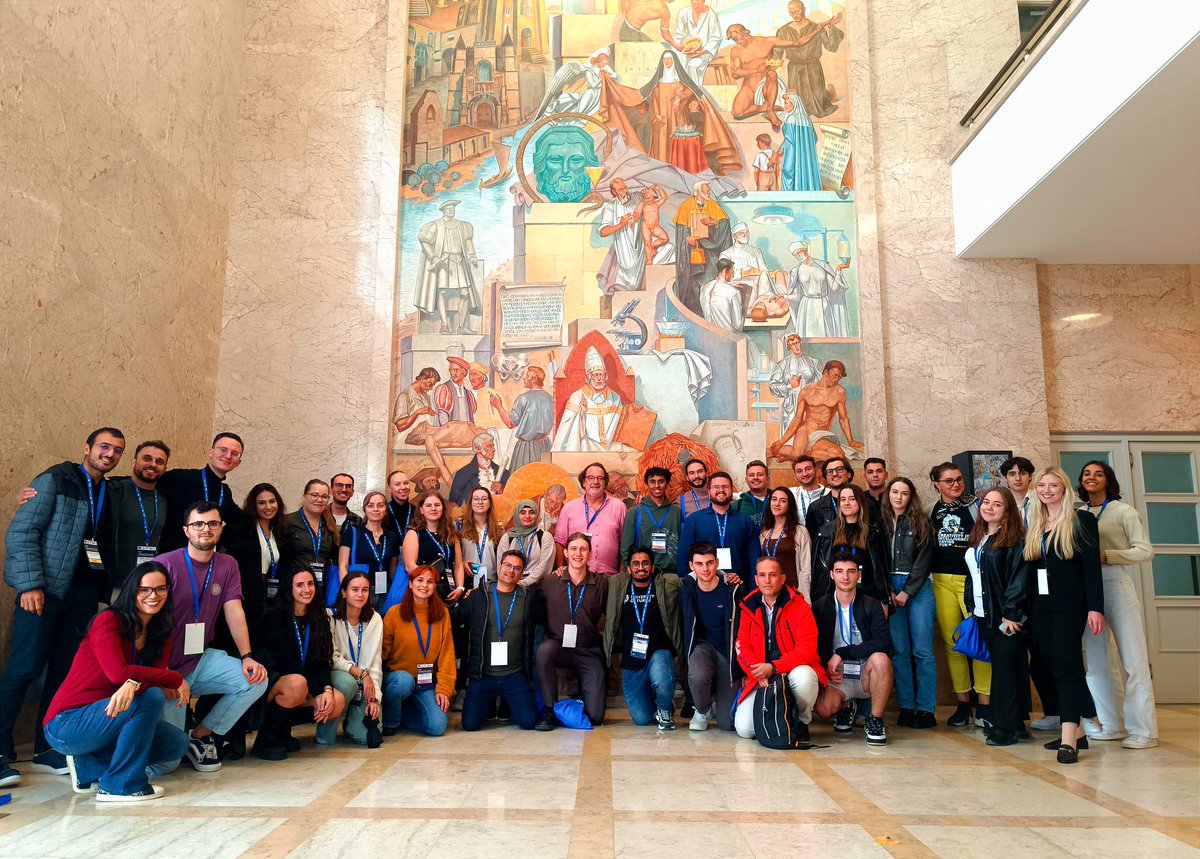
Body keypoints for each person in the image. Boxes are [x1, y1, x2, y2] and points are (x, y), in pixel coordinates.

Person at [1, 427, 124, 781]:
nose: (110, 454)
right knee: (22, 669)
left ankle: (47, 747)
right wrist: (29, 584)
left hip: (83, 595)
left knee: (64, 673)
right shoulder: (57, 478)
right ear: (86, 447)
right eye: (104, 447)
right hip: (45, 591)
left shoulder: (110, 490)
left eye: (117, 450)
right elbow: (22, 532)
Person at [41, 562, 190, 801]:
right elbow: (118, 674)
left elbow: (145, 678)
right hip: (67, 724)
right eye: (145, 590)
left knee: (176, 744)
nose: (153, 596)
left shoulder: (161, 632)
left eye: (161, 589)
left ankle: (88, 764)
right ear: (132, 591)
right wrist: (174, 678)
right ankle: (119, 785)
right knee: (152, 697)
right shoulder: (108, 621)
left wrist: (134, 682)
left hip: (110, 718)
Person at [152, 501, 268, 774]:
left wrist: (247, 656)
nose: (206, 529)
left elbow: (234, 610)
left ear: (221, 528)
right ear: (186, 530)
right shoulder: (163, 565)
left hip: (197, 660)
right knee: (166, 764)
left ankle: (199, 735)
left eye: (213, 524)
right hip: (164, 668)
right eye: (198, 524)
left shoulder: (227, 565)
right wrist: (163, 674)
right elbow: (145, 627)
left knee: (254, 681)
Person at [1025, 466, 1105, 764]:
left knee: (1066, 664)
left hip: (1071, 605)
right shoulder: (1036, 523)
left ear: (1064, 488)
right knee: (1049, 662)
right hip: (1040, 606)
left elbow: (1091, 569)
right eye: (1042, 485)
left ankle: (1069, 737)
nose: (1047, 490)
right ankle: (1081, 728)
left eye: (1053, 485)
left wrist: (1095, 607)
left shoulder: (1081, 520)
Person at [1077, 461, 1157, 749]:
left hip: (1115, 583)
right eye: (1087, 474)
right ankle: (1111, 724)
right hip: (1088, 589)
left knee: (1133, 659)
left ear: (1108, 480)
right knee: (1097, 662)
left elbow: (1145, 551)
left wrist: (1107, 555)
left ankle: (1144, 730)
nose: (1092, 478)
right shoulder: (1078, 513)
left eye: (1098, 474)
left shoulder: (1124, 511)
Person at [252, 567, 348, 759]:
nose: (307, 589)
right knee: (298, 683)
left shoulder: (319, 617)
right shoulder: (274, 616)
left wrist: (327, 690)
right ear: (289, 588)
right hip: (273, 683)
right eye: (300, 585)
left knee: (337, 701)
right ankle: (266, 738)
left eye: (310, 583)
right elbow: (286, 663)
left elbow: (322, 660)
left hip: (301, 683)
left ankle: (283, 728)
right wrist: (315, 696)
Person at [965, 488, 1031, 747]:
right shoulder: (980, 536)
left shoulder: (1014, 538)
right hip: (984, 614)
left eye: (997, 504)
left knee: (1004, 671)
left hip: (1006, 617)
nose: (989, 507)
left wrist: (1012, 613)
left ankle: (1004, 726)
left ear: (1007, 511)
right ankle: (1016, 722)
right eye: (986, 502)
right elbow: (974, 574)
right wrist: (971, 606)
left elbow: (1018, 577)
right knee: (1007, 668)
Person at [733, 557, 824, 741]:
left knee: (804, 678)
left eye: (773, 575)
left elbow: (807, 650)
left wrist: (774, 668)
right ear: (756, 579)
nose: (767, 580)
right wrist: (758, 672)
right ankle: (779, 719)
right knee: (744, 729)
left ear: (782, 578)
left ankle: (801, 721)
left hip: (791, 671)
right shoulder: (747, 606)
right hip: (762, 676)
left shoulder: (800, 606)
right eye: (762, 575)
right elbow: (741, 646)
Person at [929, 461, 989, 728]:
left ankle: (985, 706)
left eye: (959, 480)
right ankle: (963, 703)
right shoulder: (933, 511)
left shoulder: (976, 506)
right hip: (941, 581)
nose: (956, 485)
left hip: (972, 580)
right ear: (937, 485)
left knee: (979, 643)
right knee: (953, 644)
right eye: (949, 481)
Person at [812, 553, 893, 745]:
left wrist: (842, 653)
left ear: (859, 575)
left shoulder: (872, 605)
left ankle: (874, 719)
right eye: (839, 571)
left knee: (881, 659)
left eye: (850, 572)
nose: (845, 577)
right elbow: (813, 646)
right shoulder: (820, 606)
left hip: (866, 671)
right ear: (832, 575)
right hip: (838, 675)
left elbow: (883, 641)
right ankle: (846, 706)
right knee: (824, 709)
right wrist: (825, 669)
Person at [459, 551, 542, 731]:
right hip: (483, 675)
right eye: (507, 565)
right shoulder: (479, 595)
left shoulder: (528, 600)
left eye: (517, 568)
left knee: (528, 722)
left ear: (522, 574)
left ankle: (507, 704)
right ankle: (489, 704)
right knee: (470, 725)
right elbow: (457, 621)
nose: (511, 571)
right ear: (499, 567)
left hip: (513, 674)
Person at [535, 534, 609, 730]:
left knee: (595, 716)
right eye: (574, 549)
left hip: (588, 650)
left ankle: (578, 701)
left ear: (590, 554)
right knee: (544, 651)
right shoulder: (550, 582)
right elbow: (535, 608)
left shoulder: (602, 583)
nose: (578, 553)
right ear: (566, 553)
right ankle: (549, 710)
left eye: (583, 549)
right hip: (559, 647)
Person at [604, 548, 682, 730]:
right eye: (636, 564)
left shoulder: (667, 584)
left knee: (663, 682)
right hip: (632, 660)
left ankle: (664, 708)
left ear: (653, 567)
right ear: (629, 569)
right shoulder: (616, 585)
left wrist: (724, 575)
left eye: (645, 563)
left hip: (659, 652)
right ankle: (660, 701)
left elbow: (698, 577)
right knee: (641, 718)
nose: (641, 568)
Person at [879, 477, 936, 729]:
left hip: (918, 587)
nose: (898, 497)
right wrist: (889, 590)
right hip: (890, 587)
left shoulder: (921, 521)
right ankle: (906, 706)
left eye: (904, 493)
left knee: (922, 650)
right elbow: (877, 560)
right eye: (894, 492)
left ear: (910, 496)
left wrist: (908, 591)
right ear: (888, 494)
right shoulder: (879, 523)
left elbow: (925, 559)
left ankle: (925, 708)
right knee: (899, 651)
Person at [381, 565, 456, 736]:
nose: (424, 585)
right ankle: (390, 720)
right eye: (420, 580)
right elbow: (381, 653)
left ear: (435, 586)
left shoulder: (442, 614)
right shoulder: (394, 613)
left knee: (437, 727)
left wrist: (444, 689)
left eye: (430, 581)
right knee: (404, 681)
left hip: (426, 682)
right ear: (410, 584)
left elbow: (447, 655)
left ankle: (403, 715)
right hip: (397, 678)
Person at [679, 543, 741, 731]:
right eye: (699, 564)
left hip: (728, 654)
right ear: (691, 566)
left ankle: (718, 705)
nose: (705, 569)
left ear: (717, 563)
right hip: (703, 647)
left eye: (709, 563)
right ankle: (703, 709)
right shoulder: (687, 589)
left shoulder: (732, 589)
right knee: (697, 675)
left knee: (727, 724)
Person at [156, 432, 245, 553]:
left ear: (238, 462)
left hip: (205, 561)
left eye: (234, 453)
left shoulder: (225, 492)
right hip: (173, 560)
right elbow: (143, 484)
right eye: (223, 450)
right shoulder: (180, 478)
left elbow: (242, 521)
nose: (228, 456)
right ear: (211, 452)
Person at [104, 440, 170, 602]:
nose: (153, 464)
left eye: (159, 462)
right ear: (134, 462)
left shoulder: (164, 500)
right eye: (147, 458)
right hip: (113, 586)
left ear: (165, 469)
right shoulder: (113, 491)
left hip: (146, 587)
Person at [325, 571, 384, 746]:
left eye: (365, 590)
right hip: (340, 677)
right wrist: (361, 674)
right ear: (344, 592)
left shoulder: (375, 619)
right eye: (355, 589)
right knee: (347, 682)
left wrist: (374, 699)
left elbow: (376, 662)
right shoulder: (330, 616)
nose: (360, 594)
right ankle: (325, 731)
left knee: (365, 736)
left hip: (365, 685)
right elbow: (332, 657)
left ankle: (351, 719)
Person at [811, 484, 891, 604]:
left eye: (852, 499)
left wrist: (884, 599)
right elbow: (818, 570)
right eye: (843, 499)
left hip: (867, 597)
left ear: (860, 502)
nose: (847, 503)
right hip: (833, 597)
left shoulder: (873, 533)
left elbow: (881, 570)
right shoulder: (826, 532)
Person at [769, 362, 863, 463]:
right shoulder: (806, 391)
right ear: (826, 372)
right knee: (792, 452)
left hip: (820, 435)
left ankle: (795, 456)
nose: (836, 380)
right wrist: (781, 441)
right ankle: (796, 455)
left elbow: (843, 418)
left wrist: (850, 441)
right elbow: (797, 419)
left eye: (839, 377)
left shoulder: (839, 392)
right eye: (835, 375)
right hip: (805, 430)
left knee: (838, 454)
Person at [677, 472, 760, 582]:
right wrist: (688, 585)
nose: (721, 490)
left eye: (725, 487)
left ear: (731, 490)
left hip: (739, 585)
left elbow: (754, 557)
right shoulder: (694, 520)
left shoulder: (744, 521)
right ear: (709, 492)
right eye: (716, 487)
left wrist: (753, 587)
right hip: (703, 588)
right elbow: (683, 556)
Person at [414, 200, 481, 335]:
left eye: (452, 208)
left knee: (465, 293)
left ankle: (462, 326)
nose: (451, 210)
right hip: (443, 262)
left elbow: (468, 241)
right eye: (448, 208)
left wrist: (472, 254)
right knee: (442, 292)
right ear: (443, 210)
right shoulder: (435, 225)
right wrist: (433, 256)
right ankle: (444, 325)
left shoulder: (462, 226)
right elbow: (425, 242)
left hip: (458, 261)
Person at [554, 462, 628, 577]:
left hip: (609, 577)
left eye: (600, 478)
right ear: (583, 482)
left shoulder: (620, 507)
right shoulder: (568, 508)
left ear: (605, 483)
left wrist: (621, 576)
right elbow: (559, 542)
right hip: (575, 576)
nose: (595, 482)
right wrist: (560, 567)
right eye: (590, 478)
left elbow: (625, 544)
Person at [672, 180, 733, 314]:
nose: (709, 192)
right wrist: (688, 239)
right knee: (693, 284)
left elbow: (724, 225)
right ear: (699, 191)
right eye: (707, 190)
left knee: (711, 279)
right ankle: (695, 312)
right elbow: (681, 232)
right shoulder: (686, 207)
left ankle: (712, 312)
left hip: (710, 253)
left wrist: (714, 223)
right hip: (692, 254)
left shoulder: (713, 205)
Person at [774, 1, 844, 117]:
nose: (794, 15)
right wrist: (766, 65)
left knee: (818, 106)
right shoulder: (783, 31)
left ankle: (829, 93)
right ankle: (828, 93)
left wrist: (831, 27)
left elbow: (831, 47)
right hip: (794, 71)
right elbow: (777, 55)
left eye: (797, 11)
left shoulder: (817, 28)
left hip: (813, 69)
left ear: (804, 9)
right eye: (791, 12)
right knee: (797, 107)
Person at [552, 348, 628, 452]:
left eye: (601, 374)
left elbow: (623, 422)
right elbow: (568, 427)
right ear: (589, 377)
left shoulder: (614, 397)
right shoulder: (577, 396)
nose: (599, 379)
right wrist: (581, 413)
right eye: (595, 375)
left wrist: (632, 410)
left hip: (611, 444)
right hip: (586, 443)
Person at [402, 491, 466, 605]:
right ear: (421, 510)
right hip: (424, 592)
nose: (433, 508)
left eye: (437, 505)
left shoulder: (451, 533)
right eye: (428, 505)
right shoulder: (414, 533)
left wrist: (460, 587)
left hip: (450, 592)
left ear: (443, 508)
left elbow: (458, 565)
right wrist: (427, 584)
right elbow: (410, 566)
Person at [491, 366, 555, 471]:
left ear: (534, 379)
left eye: (527, 376)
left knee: (521, 479)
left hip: (526, 448)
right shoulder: (550, 398)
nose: (524, 378)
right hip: (545, 446)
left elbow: (510, 423)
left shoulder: (523, 398)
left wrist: (498, 406)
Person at [337, 490, 399, 600]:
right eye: (370, 506)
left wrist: (396, 592)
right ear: (365, 509)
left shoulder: (392, 537)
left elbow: (393, 570)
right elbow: (343, 566)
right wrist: (346, 590)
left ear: (386, 510)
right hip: (359, 591)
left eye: (380, 506)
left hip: (385, 591)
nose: (375, 509)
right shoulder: (352, 532)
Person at [279, 479, 340, 590]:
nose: (319, 500)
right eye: (314, 495)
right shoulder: (287, 521)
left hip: (321, 587)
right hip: (294, 586)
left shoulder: (330, 523)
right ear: (304, 496)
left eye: (324, 497)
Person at [621, 467, 683, 576]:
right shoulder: (636, 512)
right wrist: (629, 571)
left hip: (671, 574)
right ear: (647, 484)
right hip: (643, 574)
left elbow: (683, 544)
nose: (657, 486)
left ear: (667, 483)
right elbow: (626, 547)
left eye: (661, 481)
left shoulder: (676, 512)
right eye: (652, 482)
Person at [783, 240, 850, 338]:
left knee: (825, 336)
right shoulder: (795, 271)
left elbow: (834, 289)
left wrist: (839, 270)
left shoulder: (822, 266)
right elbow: (797, 296)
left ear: (805, 250)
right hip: (807, 307)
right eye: (795, 254)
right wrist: (783, 296)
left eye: (799, 252)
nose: (798, 256)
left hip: (823, 305)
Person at [759, 487, 813, 596]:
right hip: (771, 591)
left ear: (790, 505)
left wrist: (804, 596)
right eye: (774, 499)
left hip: (793, 591)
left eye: (783, 501)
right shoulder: (764, 534)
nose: (777, 504)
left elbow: (806, 568)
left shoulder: (800, 531)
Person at [498, 500, 556, 588]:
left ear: (537, 514)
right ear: (517, 515)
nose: (527, 516)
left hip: (536, 590)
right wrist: (512, 584)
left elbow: (544, 568)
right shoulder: (508, 537)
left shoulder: (545, 537)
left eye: (532, 512)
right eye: (523, 513)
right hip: (510, 587)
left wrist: (523, 583)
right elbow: (501, 566)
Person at [769, 336, 821, 432]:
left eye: (797, 342)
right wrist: (790, 386)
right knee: (790, 436)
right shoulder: (782, 365)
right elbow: (773, 387)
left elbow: (821, 383)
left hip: (810, 405)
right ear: (788, 347)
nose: (796, 346)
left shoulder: (813, 362)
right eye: (793, 344)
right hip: (791, 406)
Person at [777, 91, 823, 191]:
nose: (785, 106)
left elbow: (790, 141)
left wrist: (780, 149)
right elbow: (814, 138)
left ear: (794, 103)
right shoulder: (807, 119)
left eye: (786, 103)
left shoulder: (791, 118)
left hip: (793, 156)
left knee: (787, 171)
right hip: (807, 159)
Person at [449, 433, 509, 506]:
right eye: (489, 446)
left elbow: (511, 502)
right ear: (478, 449)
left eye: (493, 446)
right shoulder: (463, 474)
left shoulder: (505, 473)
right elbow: (453, 505)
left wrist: (502, 491)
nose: (493, 449)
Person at [670, 0, 721, 84]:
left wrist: (701, 52)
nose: (695, 6)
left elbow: (716, 38)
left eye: (698, 4)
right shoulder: (684, 13)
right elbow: (679, 35)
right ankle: (680, 87)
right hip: (688, 48)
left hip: (705, 51)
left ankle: (695, 91)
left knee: (692, 66)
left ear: (703, 2)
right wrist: (682, 46)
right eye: (693, 4)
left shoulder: (711, 15)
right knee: (678, 58)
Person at [458, 487, 500, 587]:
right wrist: (461, 563)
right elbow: (452, 555)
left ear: (490, 504)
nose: (480, 502)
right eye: (476, 499)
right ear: (471, 503)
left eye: (484, 499)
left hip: (491, 581)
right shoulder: (459, 526)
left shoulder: (498, 528)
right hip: (467, 579)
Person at [802, 456, 851, 537]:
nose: (834, 474)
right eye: (830, 472)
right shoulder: (815, 507)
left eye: (839, 469)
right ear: (826, 478)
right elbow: (812, 540)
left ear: (849, 474)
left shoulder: (863, 502)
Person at [393, 367, 440, 439]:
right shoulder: (404, 396)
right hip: (405, 441)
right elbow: (400, 427)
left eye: (433, 385)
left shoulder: (427, 397)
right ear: (422, 378)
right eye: (430, 383)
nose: (431, 388)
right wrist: (418, 412)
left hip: (422, 439)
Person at [700, 259, 745, 332]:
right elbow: (738, 325)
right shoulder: (733, 292)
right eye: (732, 272)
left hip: (708, 336)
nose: (733, 276)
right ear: (726, 271)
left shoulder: (703, 288)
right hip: (728, 338)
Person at [733, 460, 771, 527]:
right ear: (746, 479)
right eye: (751, 475)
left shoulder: (778, 502)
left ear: (767, 479)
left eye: (760, 474)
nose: (755, 478)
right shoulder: (737, 506)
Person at [790, 455, 828, 521]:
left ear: (816, 471)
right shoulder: (790, 494)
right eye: (799, 471)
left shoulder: (829, 493)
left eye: (808, 469)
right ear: (795, 477)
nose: (804, 474)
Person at [1002, 456, 1036, 524]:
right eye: (1012, 474)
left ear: (1030, 476)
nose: (1018, 478)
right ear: (1005, 478)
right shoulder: (1000, 502)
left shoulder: (1040, 499)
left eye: (1022, 473)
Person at [385, 470, 417, 541]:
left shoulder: (417, 511)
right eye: (397, 484)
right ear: (389, 488)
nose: (403, 487)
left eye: (406, 483)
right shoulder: (384, 511)